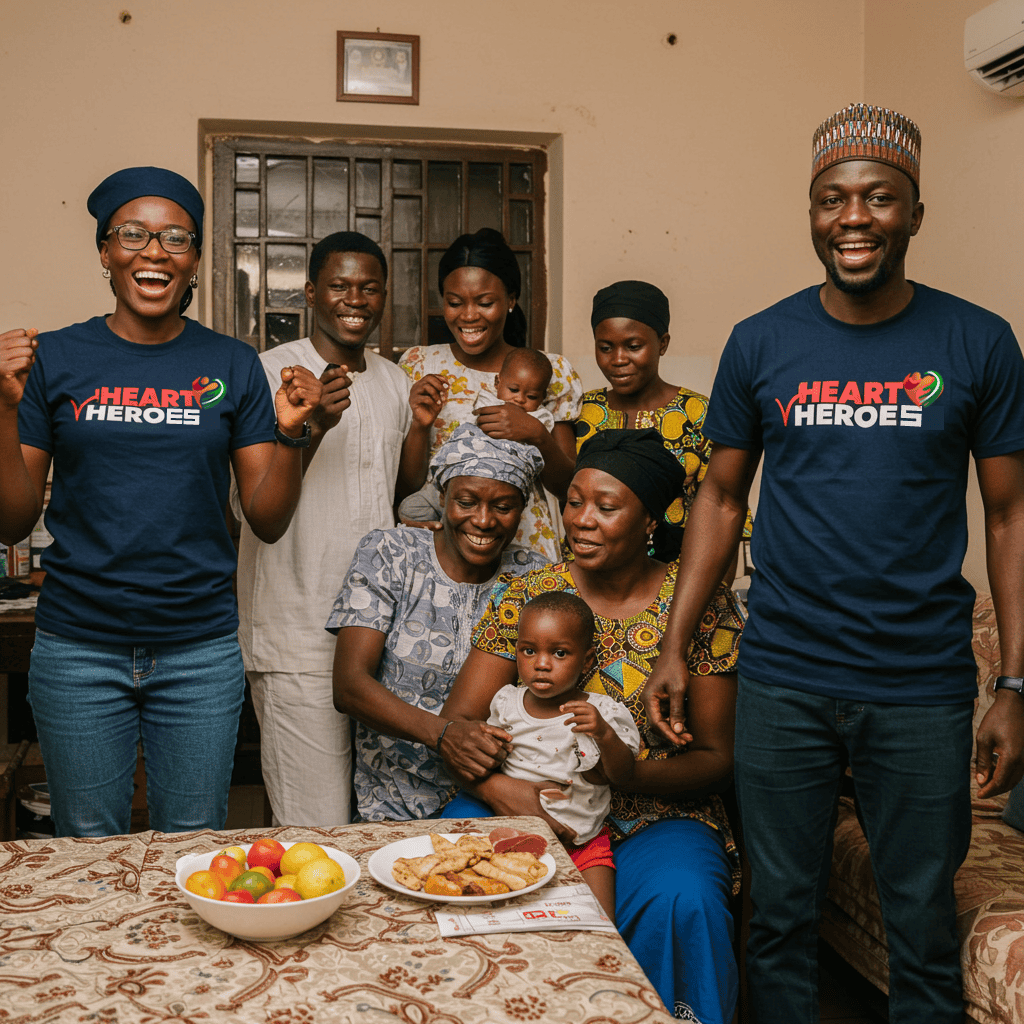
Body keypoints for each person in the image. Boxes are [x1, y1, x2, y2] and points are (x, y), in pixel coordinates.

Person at [643, 104, 1024, 1024]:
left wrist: (1013, 683)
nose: (853, 217)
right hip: (785, 676)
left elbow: (1010, 513)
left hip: (920, 684)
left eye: (878, 197)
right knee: (777, 919)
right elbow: (720, 499)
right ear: (812, 213)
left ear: (915, 213)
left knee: (921, 928)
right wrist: (675, 646)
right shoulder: (762, 341)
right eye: (832, 199)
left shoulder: (978, 341)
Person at [0, 166, 321, 837]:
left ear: (195, 259)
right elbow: (12, 521)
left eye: (176, 237)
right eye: (133, 234)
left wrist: (292, 435)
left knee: (194, 848)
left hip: (198, 649)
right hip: (78, 646)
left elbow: (266, 520)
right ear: (105, 252)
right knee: (89, 846)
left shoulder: (232, 364)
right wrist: (4, 410)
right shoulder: (53, 358)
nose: (154, 251)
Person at [440, 429, 746, 1024]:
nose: (581, 520)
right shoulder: (531, 595)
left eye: (606, 507)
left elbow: (715, 758)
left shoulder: (701, 605)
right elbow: (461, 725)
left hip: (656, 811)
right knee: (461, 872)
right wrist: (502, 789)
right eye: (574, 501)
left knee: (684, 897)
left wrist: (625, 773)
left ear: (650, 520)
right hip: (526, 795)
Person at [233, 231, 411, 827]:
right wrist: (313, 429)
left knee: (383, 822)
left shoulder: (394, 381)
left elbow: (396, 496)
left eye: (369, 287)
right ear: (311, 293)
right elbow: (250, 505)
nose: (354, 299)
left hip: (379, 639)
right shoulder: (269, 373)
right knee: (317, 826)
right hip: (298, 634)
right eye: (339, 285)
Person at [329, 424, 547, 821]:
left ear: (522, 510)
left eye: (503, 507)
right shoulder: (390, 554)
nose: (483, 520)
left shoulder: (535, 576)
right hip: (392, 803)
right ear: (443, 497)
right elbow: (349, 687)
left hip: (498, 802)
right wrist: (443, 734)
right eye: (466, 502)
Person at [398, 227, 582, 561]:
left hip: (525, 542)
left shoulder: (549, 370)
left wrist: (536, 434)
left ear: (511, 300)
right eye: (455, 303)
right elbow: (406, 486)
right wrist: (420, 426)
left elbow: (569, 488)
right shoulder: (419, 364)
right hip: (442, 543)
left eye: (485, 303)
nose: (468, 315)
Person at [486, 590, 641, 919]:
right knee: (509, 917)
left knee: (600, 923)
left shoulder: (602, 712)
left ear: (586, 660)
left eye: (559, 653)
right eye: (529, 651)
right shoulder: (506, 703)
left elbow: (624, 775)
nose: (541, 664)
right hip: (516, 840)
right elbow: (488, 757)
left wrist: (604, 734)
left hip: (584, 842)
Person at [576, 279, 752, 563]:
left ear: (663, 343)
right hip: (589, 567)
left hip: (678, 571)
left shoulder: (697, 412)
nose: (618, 359)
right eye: (605, 347)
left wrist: (719, 587)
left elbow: (725, 506)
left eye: (633, 346)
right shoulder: (582, 411)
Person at [400, 345, 554, 522]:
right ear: (497, 383)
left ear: (542, 397)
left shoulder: (539, 419)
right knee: (409, 509)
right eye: (513, 390)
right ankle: (442, 527)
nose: (519, 399)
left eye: (532, 396)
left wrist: (534, 430)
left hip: (500, 490)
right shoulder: (487, 400)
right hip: (455, 476)